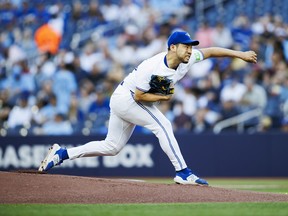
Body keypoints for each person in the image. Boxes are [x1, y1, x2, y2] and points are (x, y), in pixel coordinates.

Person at [38, 30, 257, 185]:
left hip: (129, 98)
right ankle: (183, 172)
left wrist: (240, 54)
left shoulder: (188, 59)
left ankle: (62, 153)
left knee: (112, 147)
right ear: (172, 47)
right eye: (186, 46)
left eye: (191, 46)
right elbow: (141, 96)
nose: (190, 50)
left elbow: (210, 51)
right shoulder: (151, 67)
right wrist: (163, 96)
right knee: (163, 124)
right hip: (128, 98)